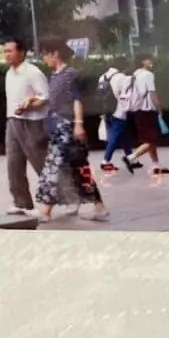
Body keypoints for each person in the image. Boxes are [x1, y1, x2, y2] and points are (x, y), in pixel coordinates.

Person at [35, 39, 109, 223]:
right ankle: (100, 207)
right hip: (56, 128)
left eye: (45, 54)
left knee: (54, 166)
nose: (44, 58)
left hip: (66, 127)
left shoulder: (71, 75)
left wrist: (78, 123)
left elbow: (77, 99)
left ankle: (45, 211)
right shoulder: (55, 76)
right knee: (78, 168)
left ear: (55, 54)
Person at [2, 38, 49, 215]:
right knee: (13, 164)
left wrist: (29, 105)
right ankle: (21, 202)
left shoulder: (33, 73)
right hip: (12, 121)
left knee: (41, 163)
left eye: (10, 51)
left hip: (32, 123)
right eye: (5, 51)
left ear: (22, 52)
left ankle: (64, 197)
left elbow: (45, 98)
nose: (6, 55)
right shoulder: (9, 73)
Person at [124, 54, 169, 175]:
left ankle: (156, 165)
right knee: (151, 139)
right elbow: (152, 93)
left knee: (150, 139)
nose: (151, 62)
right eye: (149, 60)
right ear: (143, 61)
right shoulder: (148, 75)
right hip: (148, 110)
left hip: (138, 110)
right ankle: (131, 157)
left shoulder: (135, 74)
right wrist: (159, 108)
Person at [97, 66, 140, 173]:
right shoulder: (121, 77)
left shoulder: (102, 77)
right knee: (114, 136)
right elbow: (126, 94)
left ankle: (131, 158)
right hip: (118, 110)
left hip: (106, 110)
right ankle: (105, 161)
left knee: (123, 134)